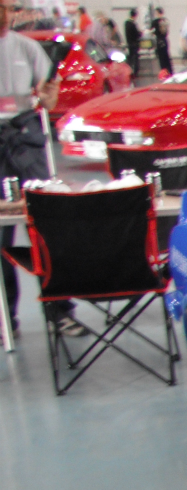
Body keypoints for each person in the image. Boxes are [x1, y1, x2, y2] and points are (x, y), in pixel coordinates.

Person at [0, 0, 85, 337]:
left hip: (26, 138)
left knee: (45, 224)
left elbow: (49, 96)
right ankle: (6, 320)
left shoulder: (27, 48)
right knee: (1, 236)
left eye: (8, 8)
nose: (5, 14)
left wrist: (49, 94)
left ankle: (59, 311)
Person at [151, 7, 172, 74]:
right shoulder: (165, 20)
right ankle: (170, 71)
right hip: (165, 40)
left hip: (159, 41)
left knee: (161, 58)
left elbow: (152, 31)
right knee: (166, 57)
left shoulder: (155, 22)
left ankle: (164, 72)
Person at [123, 8, 141, 73]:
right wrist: (140, 33)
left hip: (129, 43)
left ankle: (129, 70)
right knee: (135, 58)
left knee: (130, 58)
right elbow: (137, 34)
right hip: (134, 43)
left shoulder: (126, 23)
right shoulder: (133, 24)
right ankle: (135, 71)